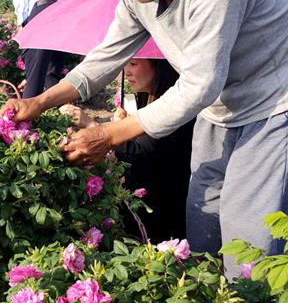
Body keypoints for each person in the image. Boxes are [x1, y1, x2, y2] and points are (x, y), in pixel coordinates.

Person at [0, 0, 288, 277]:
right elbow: (104, 58)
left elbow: (201, 82)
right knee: (203, 218)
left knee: (250, 236)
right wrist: (40, 102)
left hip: (274, 104)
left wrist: (107, 135)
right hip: (219, 108)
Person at [60, 58, 194, 243]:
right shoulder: (151, 96)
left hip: (164, 213)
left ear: (159, 66)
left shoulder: (172, 107)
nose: (127, 71)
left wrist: (93, 126)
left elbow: (141, 154)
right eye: (127, 64)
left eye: (134, 64)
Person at [9, 0, 69, 98]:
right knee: (51, 71)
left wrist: (22, 24)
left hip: (45, 9)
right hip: (66, 12)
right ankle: (60, 109)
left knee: (34, 66)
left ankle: (28, 114)